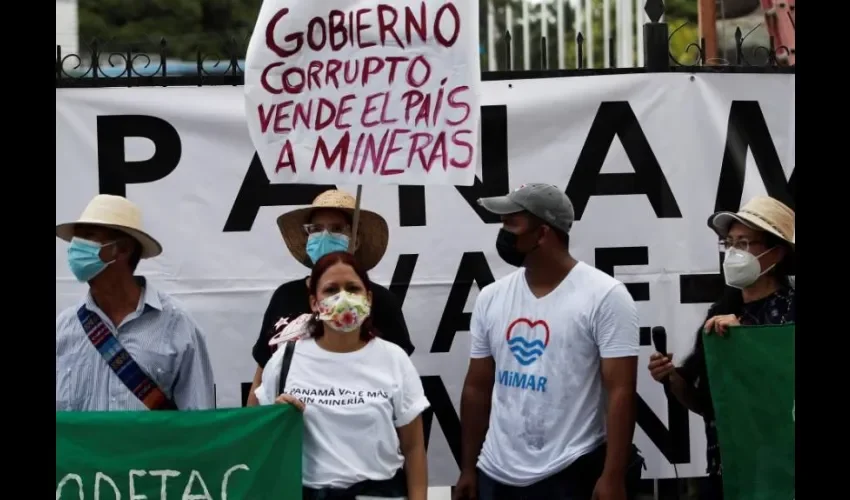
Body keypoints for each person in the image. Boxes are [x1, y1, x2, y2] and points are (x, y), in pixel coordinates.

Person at [454, 184, 643, 500]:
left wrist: (612, 475)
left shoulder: (605, 296)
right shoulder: (491, 297)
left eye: (512, 223)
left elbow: (621, 390)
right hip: (495, 474)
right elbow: (477, 387)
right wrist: (469, 467)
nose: (503, 232)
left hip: (570, 471)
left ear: (542, 234)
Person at [647, 195, 796, 500]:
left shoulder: (792, 311)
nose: (733, 253)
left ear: (776, 253)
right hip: (727, 472)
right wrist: (673, 378)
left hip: (782, 476)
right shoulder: (719, 313)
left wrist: (748, 342)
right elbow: (707, 404)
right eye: (729, 243)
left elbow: (782, 390)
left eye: (744, 243)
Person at [255, 251, 429, 500]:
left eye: (352, 288)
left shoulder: (394, 359)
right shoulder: (285, 361)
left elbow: (413, 448)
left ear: (368, 298)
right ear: (314, 302)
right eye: (330, 290)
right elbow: (261, 439)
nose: (343, 298)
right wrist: (277, 418)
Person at [246, 189, 414, 407]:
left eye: (337, 229)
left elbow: (401, 388)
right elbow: (261, 379)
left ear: (355, 240)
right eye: (316, 229)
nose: (325, 236)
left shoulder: (382, 302)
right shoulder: (284, 296)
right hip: (290, 430)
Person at [56, 194, 215, 411]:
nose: (76, 248)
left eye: (89, 237)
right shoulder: (63, 329)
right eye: (77, 239)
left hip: (154, 447)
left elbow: (197, 423)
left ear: (122, 249)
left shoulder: (177, 326)